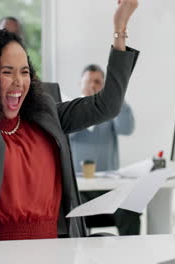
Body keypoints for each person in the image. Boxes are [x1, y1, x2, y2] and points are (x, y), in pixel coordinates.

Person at [0, 0, 139, 242]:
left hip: (53, 250)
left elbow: (107, 105)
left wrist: (120, 26)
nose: (19, 82)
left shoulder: (47, 116)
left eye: (24, 71)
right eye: (7, 72)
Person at [70, 64, 141, 236]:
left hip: (109, 191)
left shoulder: (112, 113)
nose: (93, 86)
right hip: (80, 193)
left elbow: (127, 128)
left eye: (98, 82)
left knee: (130, 209)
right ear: (80, 84)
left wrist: (117, 95)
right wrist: (87, 106)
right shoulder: (70, 111)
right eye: (89, 82)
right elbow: (67, 133)